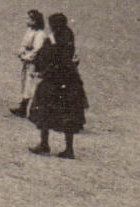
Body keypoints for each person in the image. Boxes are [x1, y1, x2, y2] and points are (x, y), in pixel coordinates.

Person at [29, 13, 88, 158]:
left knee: (44, 110)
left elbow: (45, 57)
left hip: (53, 81)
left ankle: (44, 143)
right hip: (70, 82)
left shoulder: (53, 39)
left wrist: (40, 71)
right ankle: (69, 148)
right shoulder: (68, 36)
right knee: (68, 115)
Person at [10, 10, 49, 117]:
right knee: (26, 83)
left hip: (34, 63)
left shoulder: (40, 34)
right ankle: (23, 106)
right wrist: (21, 51)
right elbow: (24, 43)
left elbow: (37, 50)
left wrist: (26, 57)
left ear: (35, 21)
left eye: (29, 19)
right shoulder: (30, 30)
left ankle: (29, 108)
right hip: (27, 61)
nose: (26, 20)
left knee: (30, 84)